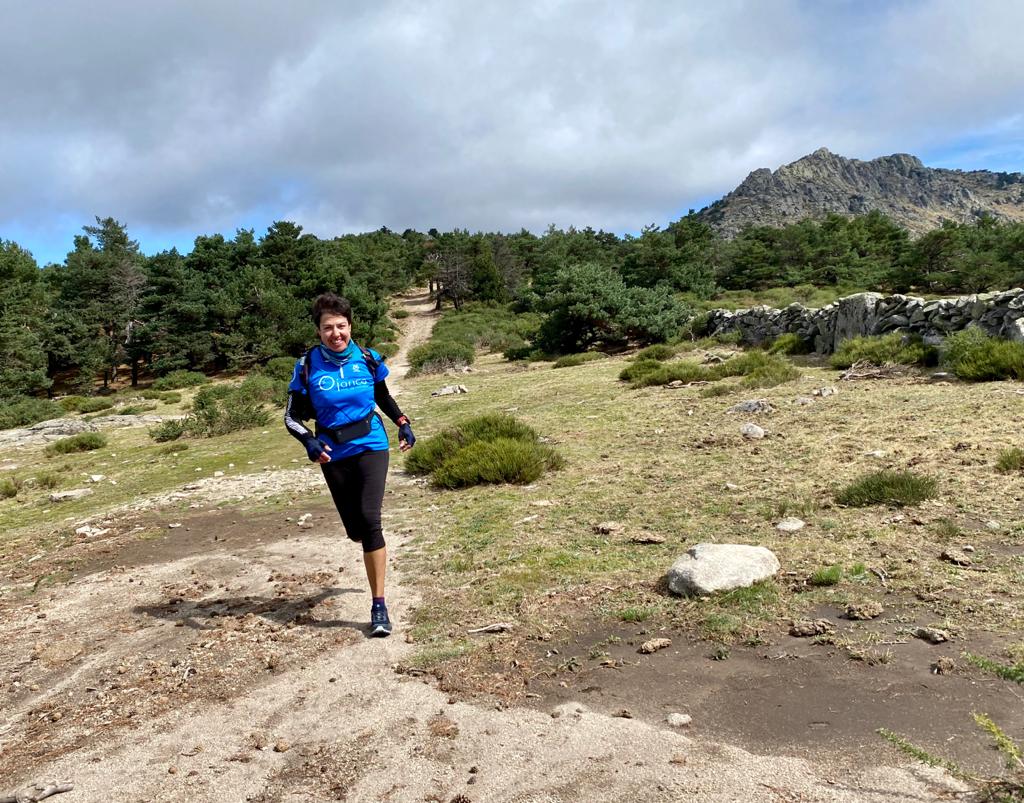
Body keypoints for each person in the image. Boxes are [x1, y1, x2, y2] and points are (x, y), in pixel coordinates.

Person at [283, 292, 415, 637]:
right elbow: (292, 416)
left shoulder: (367, 359)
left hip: (372, 443)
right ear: (319, 331)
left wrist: (402, 422)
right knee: (356, 530)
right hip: (333, 452)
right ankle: (363, 538)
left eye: (341, 326)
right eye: (328, 327)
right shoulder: (307, 365)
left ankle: (379, 606)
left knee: (371, 521)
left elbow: (382, 396)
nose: (336, 333)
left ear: (350, 326)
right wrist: (309, 441)